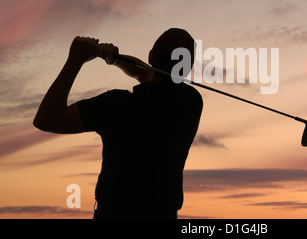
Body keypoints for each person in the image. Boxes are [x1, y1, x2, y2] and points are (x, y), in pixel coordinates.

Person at [33, 28, 203, 219]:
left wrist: (75, 60)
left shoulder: (117, 106)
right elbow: (148, 74)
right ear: (187, 67)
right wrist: (114, 58)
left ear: (151, 55)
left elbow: (46, 119)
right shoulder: (191, 101)